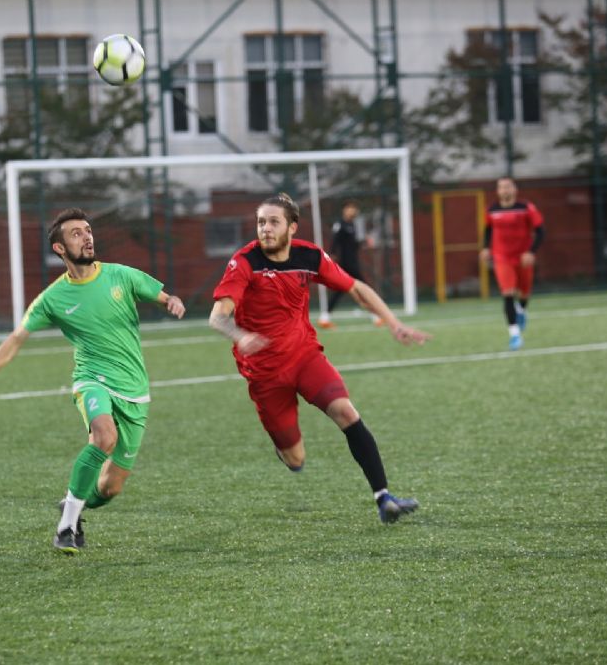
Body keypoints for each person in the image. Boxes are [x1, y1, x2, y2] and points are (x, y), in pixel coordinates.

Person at [0, 208, 185, 555]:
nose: (87, 237)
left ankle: (72, 504)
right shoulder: (53, 298)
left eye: (88, 230)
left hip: (135, 389)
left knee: (110, 488)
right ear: (60, 248)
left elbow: (165, 296)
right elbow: (16, 339)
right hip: (91, 380)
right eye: (76, 233)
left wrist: (172, 302)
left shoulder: (121, 275)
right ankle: (66, 528)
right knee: (104, 436)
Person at [208, 193, 431, 524]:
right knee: (295, 459)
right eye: (261, 222)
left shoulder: (309, 256)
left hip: (304, 357)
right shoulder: (244, 263)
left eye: (273, 222)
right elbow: (217, 316)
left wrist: (394, 324)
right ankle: (285, 450)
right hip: (265, 374)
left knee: (345, 411)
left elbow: (356, 288)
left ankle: (384, 498)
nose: (265, 229)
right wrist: (240, 336)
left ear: (292, 227)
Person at [479, 177, 545, 351]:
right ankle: (514, 335)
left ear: (515, 189)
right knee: (507, 293)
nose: (505, 190)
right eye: (501, 187)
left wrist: (531, 251)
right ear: (497, 191)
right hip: (502, 257)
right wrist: (486, 248)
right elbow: (488, 229)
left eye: (508, 187)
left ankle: (521, 310)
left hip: (523, 257)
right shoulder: (491, 210)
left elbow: (540, 231)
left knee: (524, 294)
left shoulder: (526, 208)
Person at [319, 200, 380, 329]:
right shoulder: (340, 225)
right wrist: (332, 257)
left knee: (340, 290)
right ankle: (376, 317)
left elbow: (353, 245)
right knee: (364, 289)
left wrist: (364, 241)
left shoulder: (351, 225)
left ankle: (324, 318)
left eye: (355, 209)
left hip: (352, 263)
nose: (353, 211)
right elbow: (334, 242)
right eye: (351, 208)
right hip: (346, 264)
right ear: (345, 210)